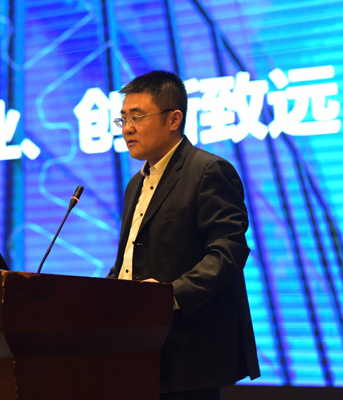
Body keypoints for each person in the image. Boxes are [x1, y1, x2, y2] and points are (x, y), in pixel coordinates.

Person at [106, 70, 260, 400]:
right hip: (135, 351)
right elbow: (130, 260)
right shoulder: (135, 184)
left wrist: (167, 297)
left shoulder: (207, 171)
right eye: (123, 119)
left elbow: (228, 252)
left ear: (174, 119)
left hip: (188, 354)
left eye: (137, 117)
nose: (127, 128)